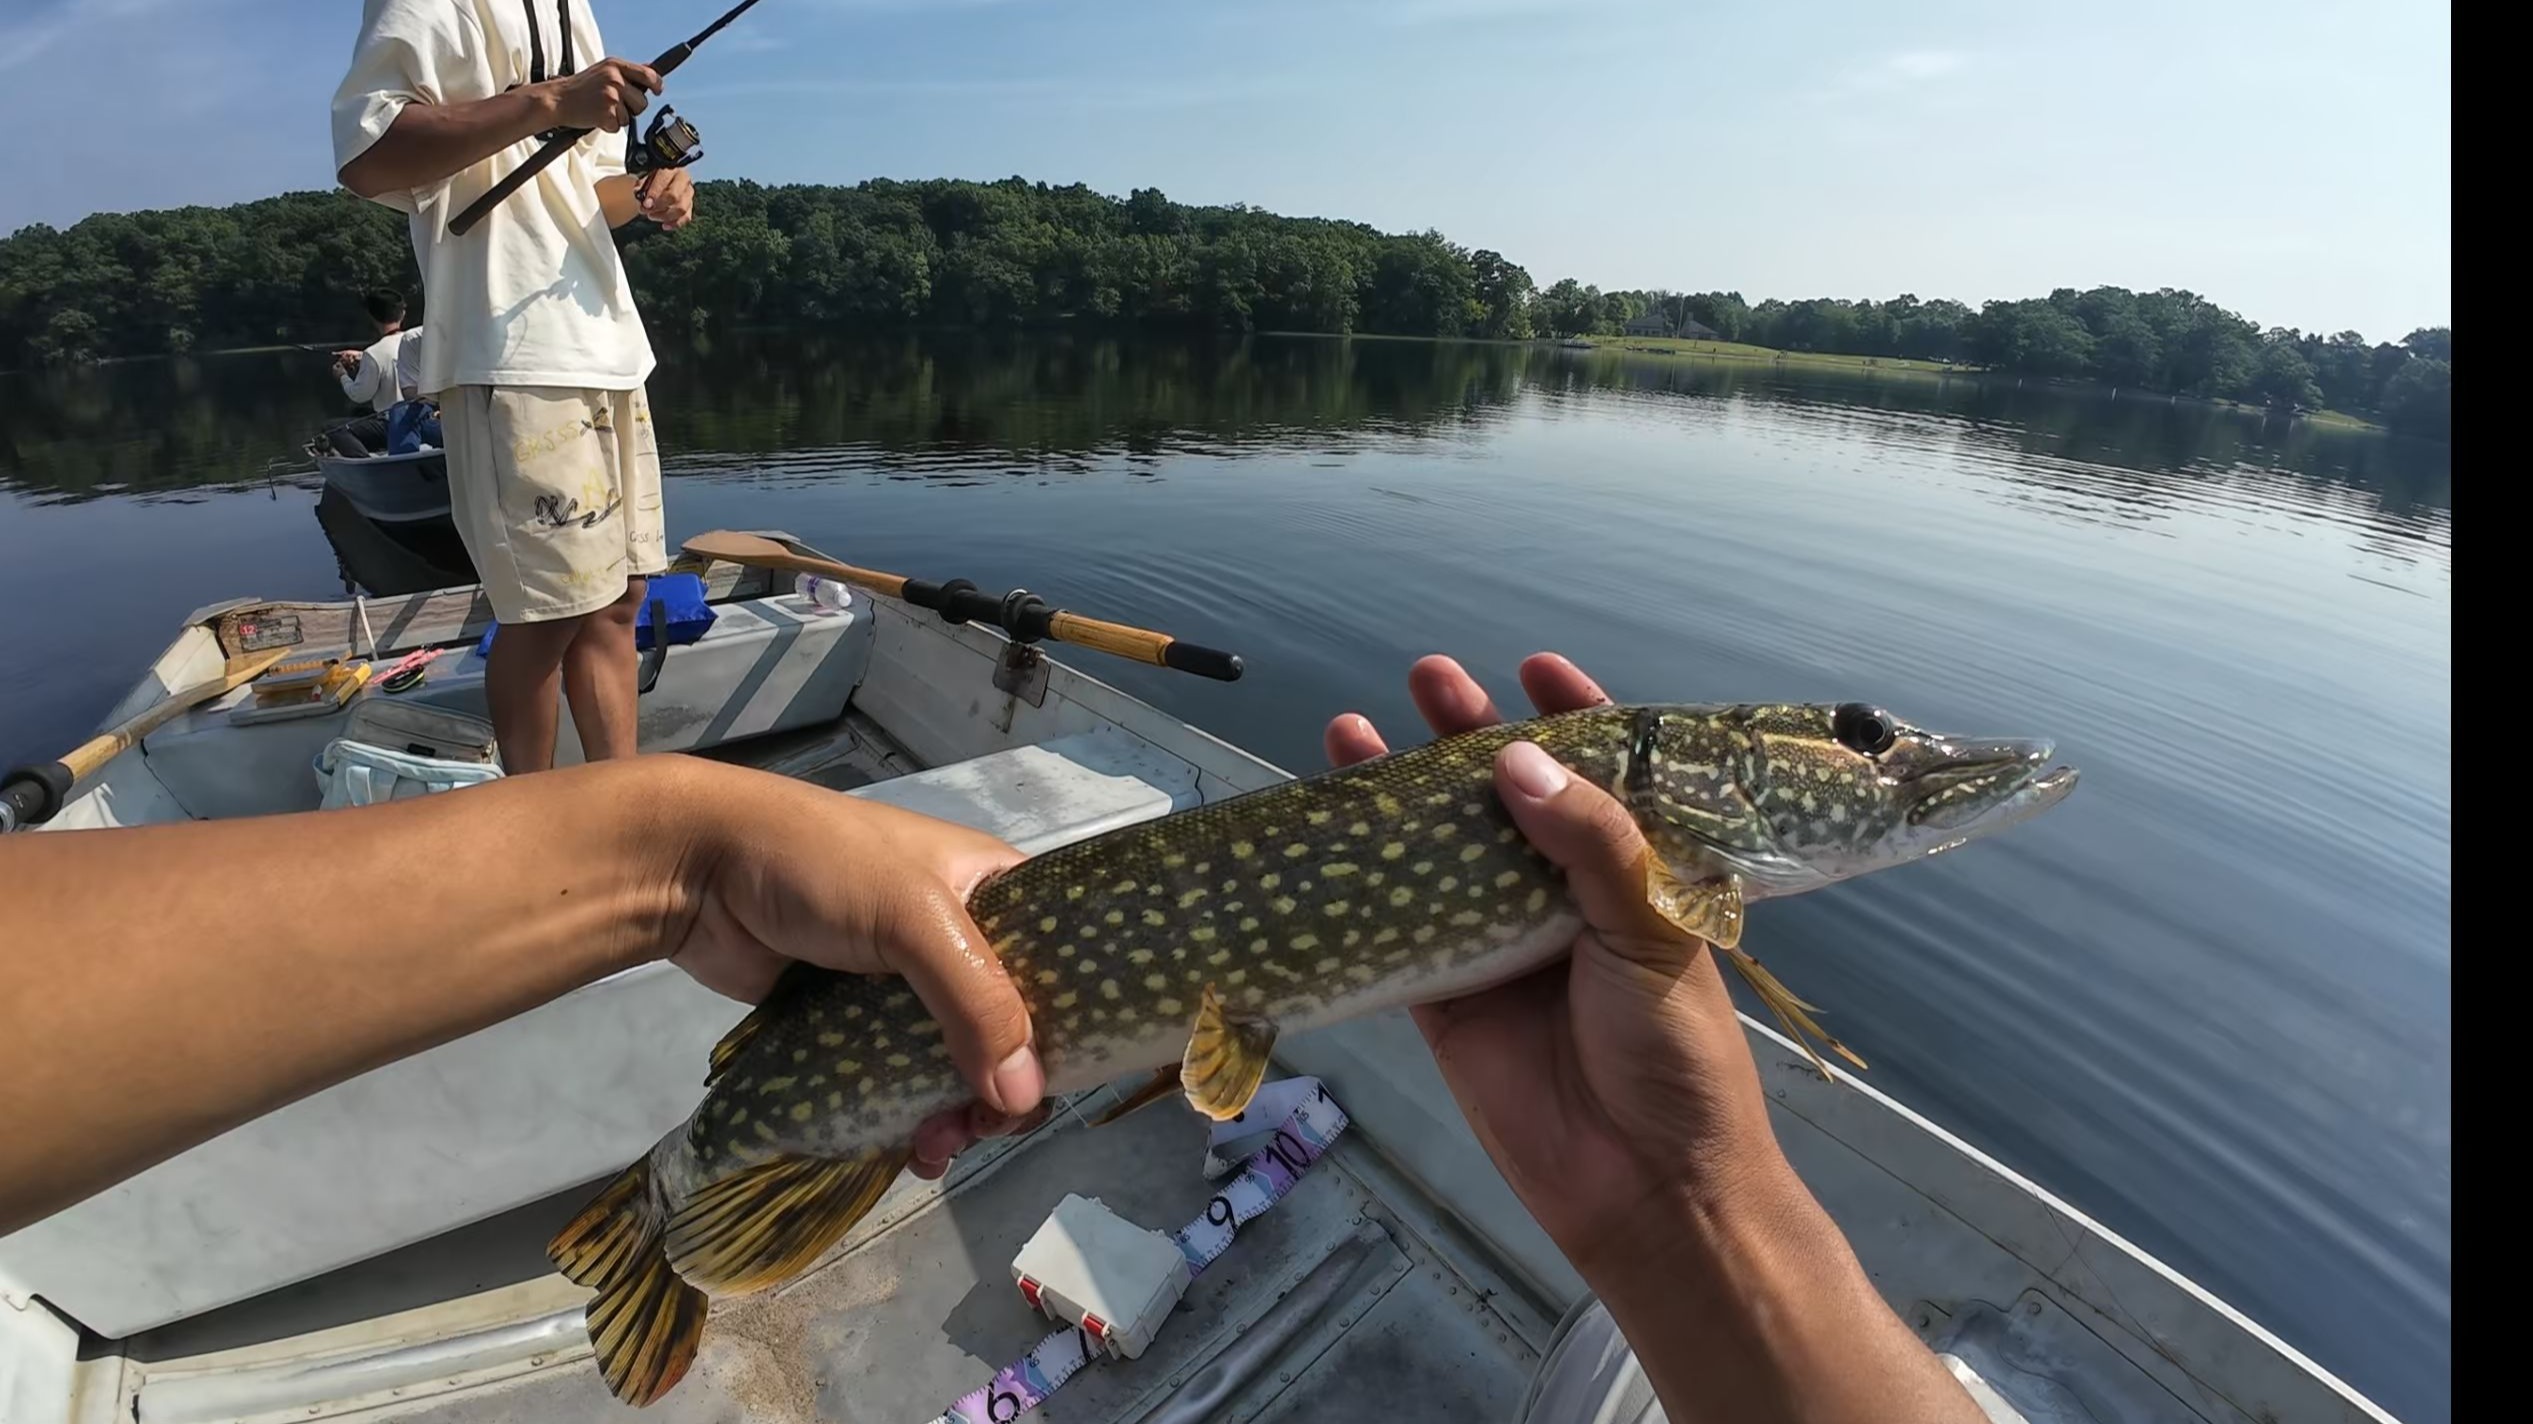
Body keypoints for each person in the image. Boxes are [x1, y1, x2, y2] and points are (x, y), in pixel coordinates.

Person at [0, 654, 1985, 1423]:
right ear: (1697, 770)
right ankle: (669, 1208)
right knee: (842, 1126)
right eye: (1864, 739)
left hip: (1150, 997)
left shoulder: (1653, 868)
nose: (1891, 763)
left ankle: (671, 1205)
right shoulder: (1635, 825)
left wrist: (1679, 1199)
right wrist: (678, 856)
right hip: (892, 1040)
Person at [330, 0, 701, 773]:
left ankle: (616, 803)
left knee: (619, 603)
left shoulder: (577, 12)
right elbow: (369, 154)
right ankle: (531, 816)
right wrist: (550, 100)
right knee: (544, 619)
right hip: (509, 349)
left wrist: (648, 192)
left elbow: (588, 190)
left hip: (607, 346)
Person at [323, 288, 413, 457]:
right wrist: (362, 356)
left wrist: (342, 376)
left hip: (393, 424)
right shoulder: (415, 342)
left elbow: (359, 395)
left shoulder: (375, 353)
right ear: (403, 313)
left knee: (332, 429)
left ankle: (365, 462)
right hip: (421, 417)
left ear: (372, 316)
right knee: (359, 414)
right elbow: (394, 356)